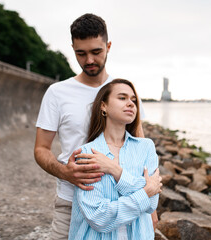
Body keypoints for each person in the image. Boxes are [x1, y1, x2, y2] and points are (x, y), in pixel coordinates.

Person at [34, 14, 158, 239]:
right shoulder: (57, 93)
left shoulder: (121, 93)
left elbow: (140, 152)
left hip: (124, 200)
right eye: (81, 53)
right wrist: (65, 172)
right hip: (70, 201)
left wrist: (150, 206)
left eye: (96, 52)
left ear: (108, 46)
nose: (89, 60)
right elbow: (41, 148)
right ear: (72, 48)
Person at [69, 79, 161, 239]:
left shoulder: (146, 147)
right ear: (103, 106)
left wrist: (114, 170)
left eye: (133, 100)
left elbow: (152, 204)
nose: (131, 104)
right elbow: (98, 217)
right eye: (122, 98)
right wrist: (145, 191)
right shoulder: (87, 153)